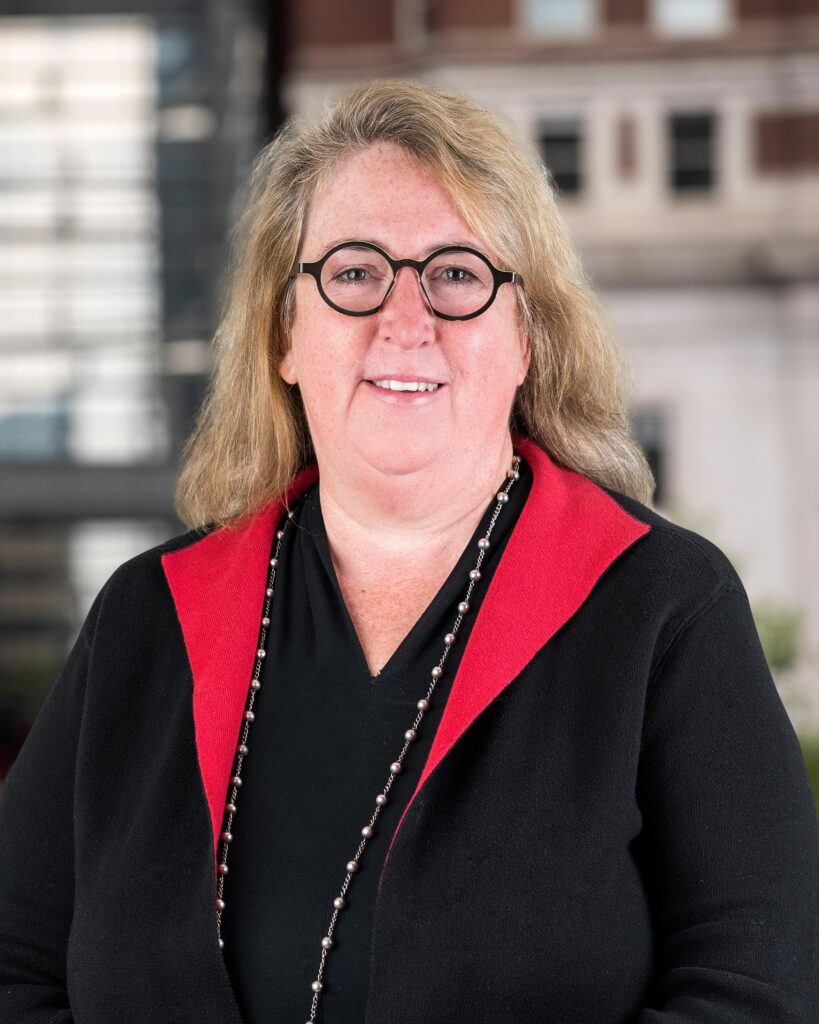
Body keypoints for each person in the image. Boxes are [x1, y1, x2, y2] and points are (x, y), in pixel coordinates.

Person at [1, 79, 817, 1024]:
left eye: (456, 274)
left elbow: (759, 992)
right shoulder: (147, 618)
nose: (404, 319)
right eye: (354, 273)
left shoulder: (663, 606)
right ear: (284, 335)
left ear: (526, 337)